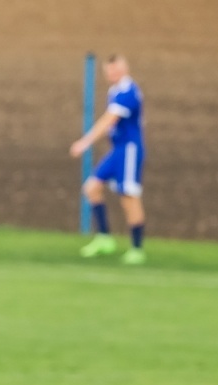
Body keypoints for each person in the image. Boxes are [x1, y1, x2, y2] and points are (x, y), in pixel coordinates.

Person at [71, 55, 147, 264]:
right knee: (92, 188)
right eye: (109, 71)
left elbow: (108, 121)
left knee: (129, 197)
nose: (112, 74)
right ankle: (105, 239)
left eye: (115, 70)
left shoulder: (128, 92)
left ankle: (137, 249)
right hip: (118, 150)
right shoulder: (115, 91)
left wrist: (85, 142)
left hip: (129, 151)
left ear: (125, 69)